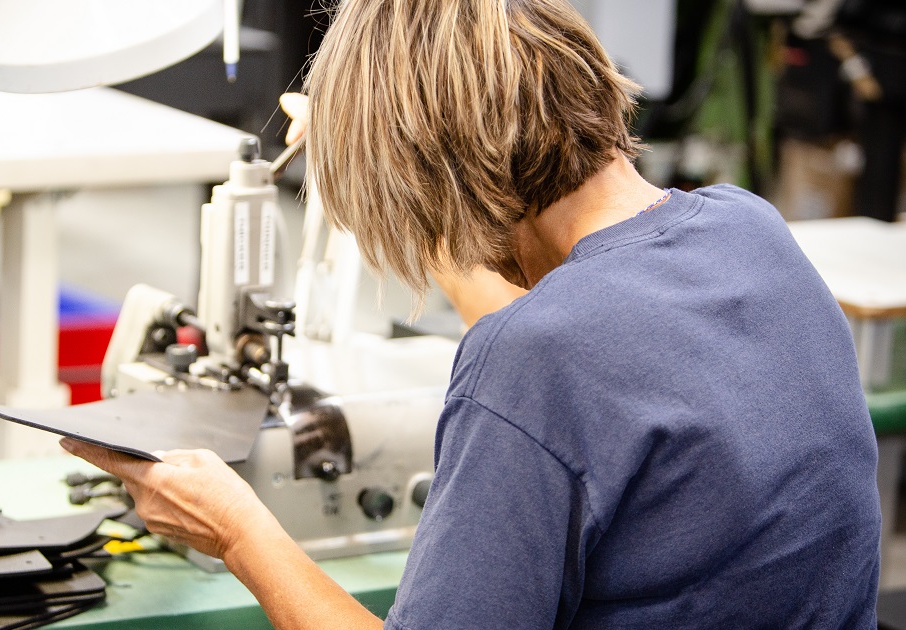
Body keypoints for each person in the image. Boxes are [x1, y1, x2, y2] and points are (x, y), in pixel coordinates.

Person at [61, 0, 881, 626]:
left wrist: (239, 530)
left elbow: (544, 346)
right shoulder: (750, 229)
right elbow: (571, 324)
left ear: (434, 173)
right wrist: (388, 151)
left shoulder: (534, 361)